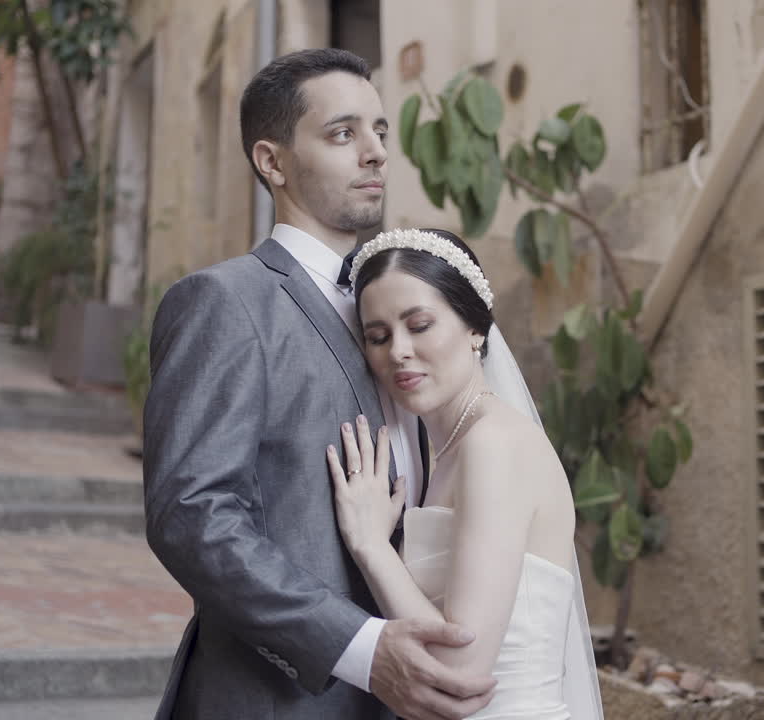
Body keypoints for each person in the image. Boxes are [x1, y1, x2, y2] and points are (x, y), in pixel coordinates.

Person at [143, 49, 496, 719]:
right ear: (272, 162)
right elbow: (192, 514)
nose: (375, 154)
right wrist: (359, 647)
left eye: (381, 133)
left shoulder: (402, 312)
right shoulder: (224, 301)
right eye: (343, 133)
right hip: (275, 701)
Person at [326, 227, 604, 720]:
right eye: (378, 336)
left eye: (421, 324)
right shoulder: (453, 448)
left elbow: (462, 667)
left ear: (475, 328)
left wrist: (371, 547)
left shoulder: (492, 444)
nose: (399, 351)